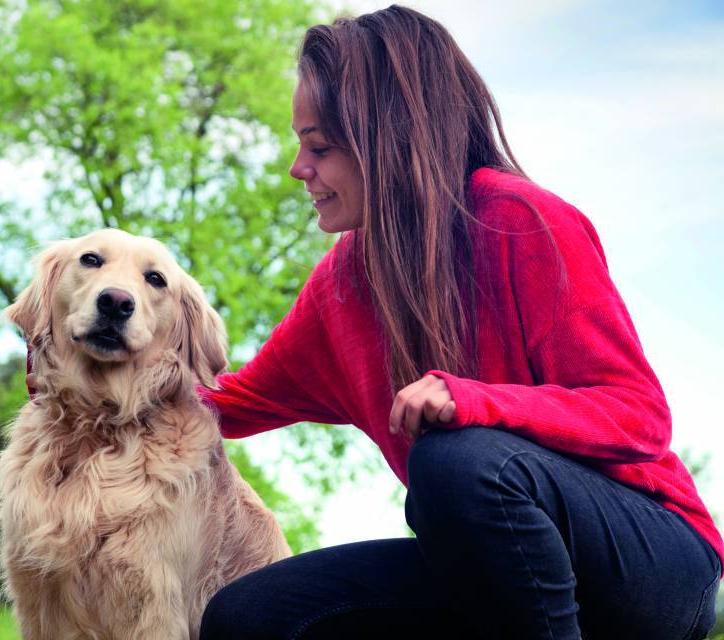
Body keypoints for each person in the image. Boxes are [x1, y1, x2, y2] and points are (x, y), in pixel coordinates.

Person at [190, 5, 722, 640]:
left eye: (320, 147)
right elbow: (225, 405)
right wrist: (90, 367)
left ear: (383, 138)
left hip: (651, 561)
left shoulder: (523, 222)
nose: (298, 169)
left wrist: (475, 402)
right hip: (494, 572)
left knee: (456, 463)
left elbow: (638, 415)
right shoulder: (342, 285)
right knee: (247, 616)